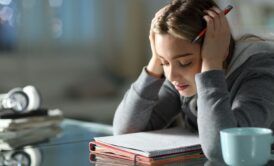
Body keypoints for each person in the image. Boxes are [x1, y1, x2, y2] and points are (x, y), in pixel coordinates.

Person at [113, 0, 274, 162]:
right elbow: (125, 131)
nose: (172, 76)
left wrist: (211, 66)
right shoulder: (181, 78)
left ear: (218, 49)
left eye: (184, 63)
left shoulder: (260, 71)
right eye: (165, 63)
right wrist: (155, 61)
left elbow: (222, 149)